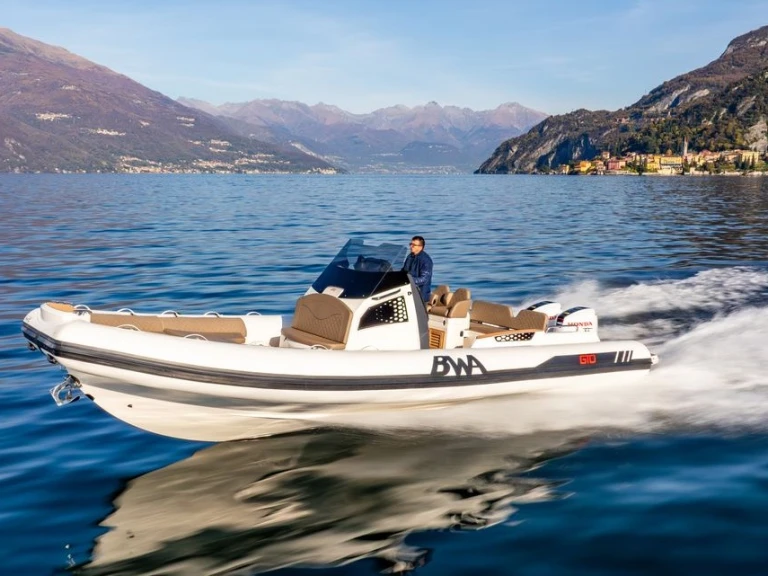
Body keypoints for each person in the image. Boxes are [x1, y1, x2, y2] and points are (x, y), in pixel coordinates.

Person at [402, 235, 433, 302]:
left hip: (420, 295)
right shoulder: (410, 257)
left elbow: (424, 279)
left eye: (413, 245)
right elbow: (404, 271)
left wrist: (409, 280)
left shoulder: (426, 260)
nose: (411, 246)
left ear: (420, 247)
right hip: (409, 291)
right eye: (410, 244)